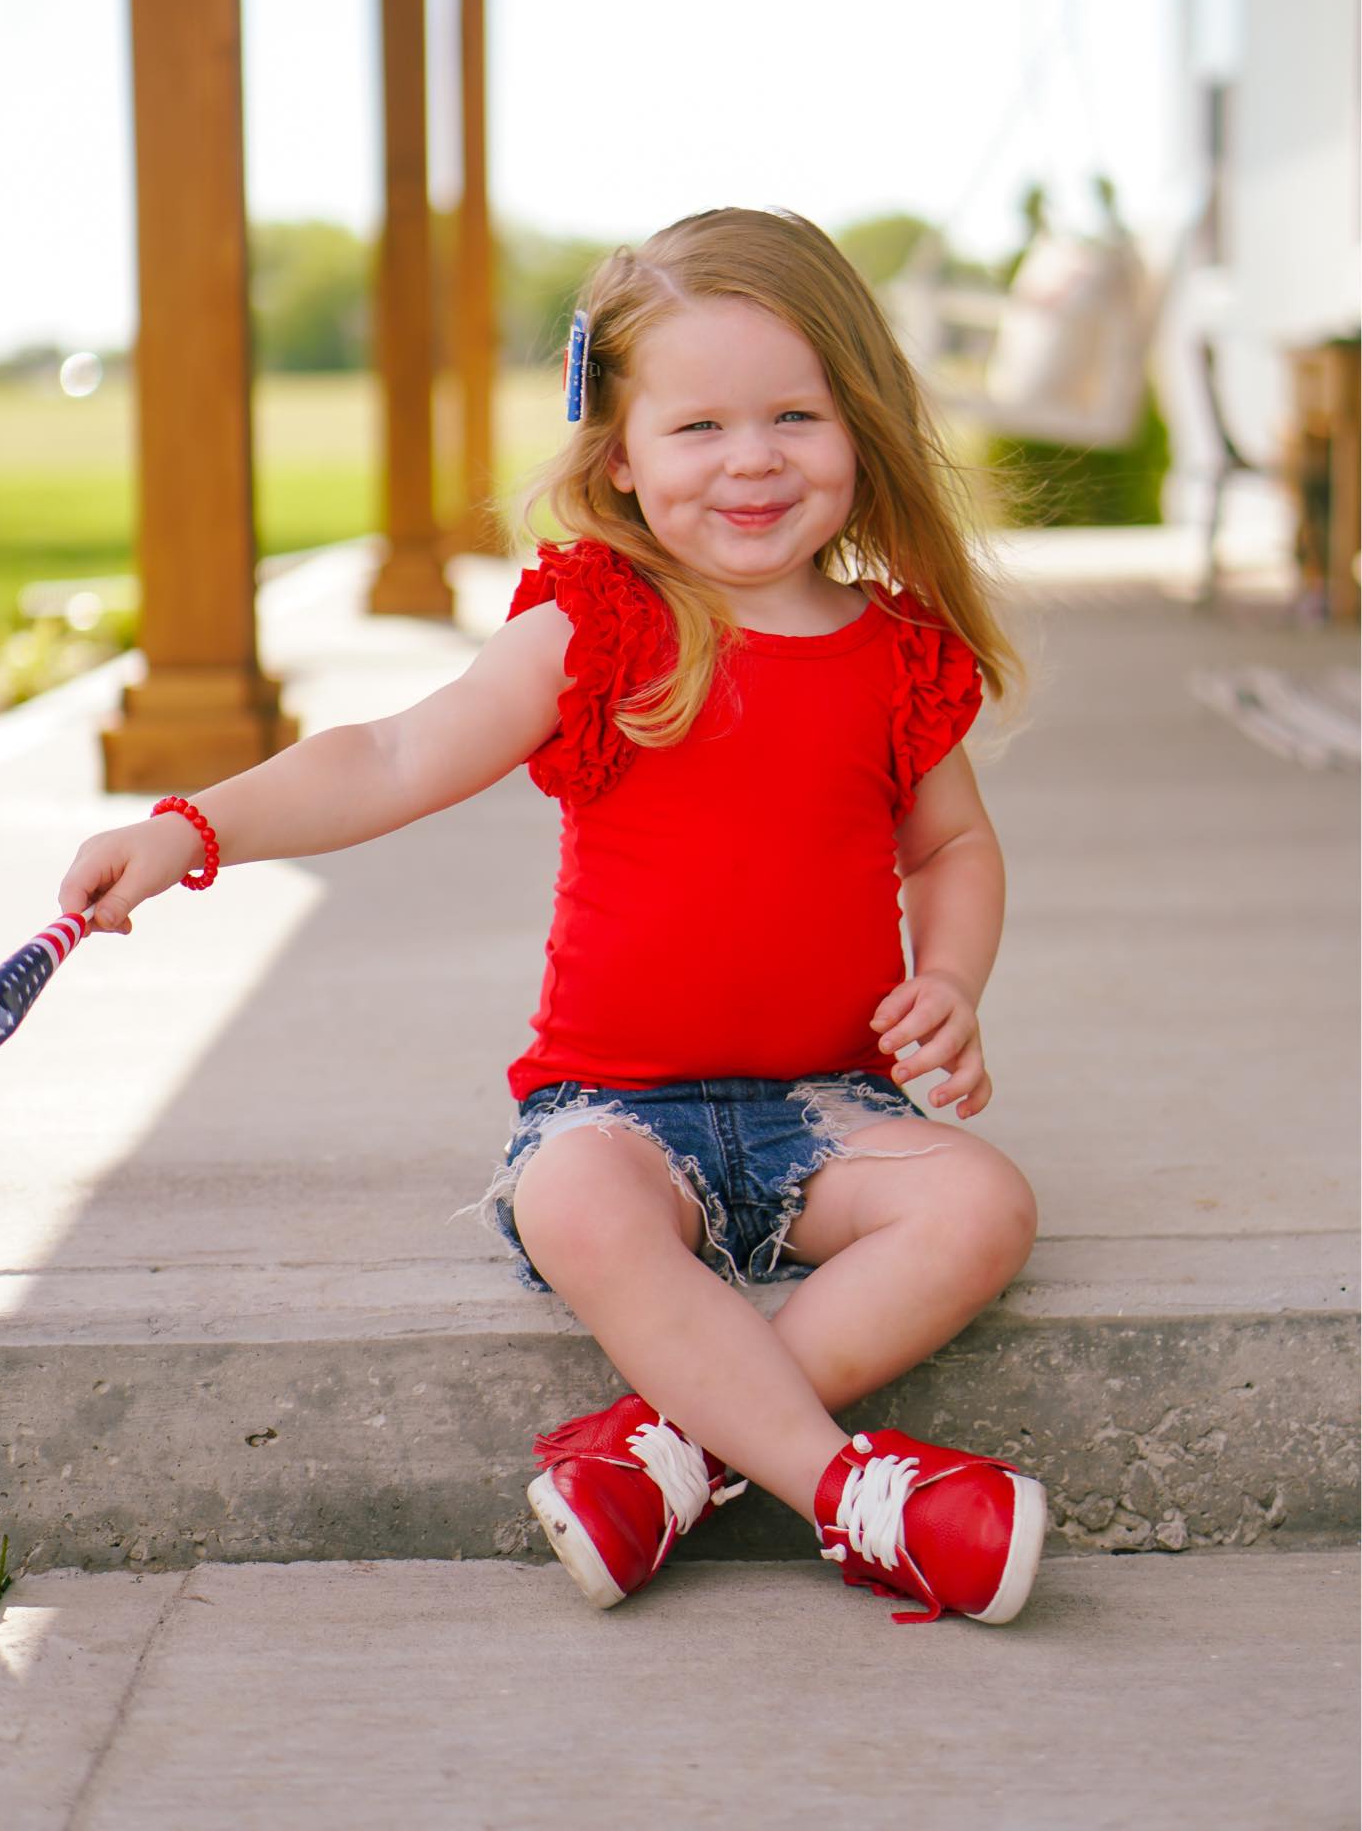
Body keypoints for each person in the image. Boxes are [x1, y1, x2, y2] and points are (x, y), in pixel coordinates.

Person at [58, 206, 1045, 1629]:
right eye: (698, 426)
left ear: (863, 425)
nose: (752, 458)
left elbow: (951, 844)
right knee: (572, 1200)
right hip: (614, 1111)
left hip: (825, 1109)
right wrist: (192, 829)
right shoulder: (604, 624)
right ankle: (852, 1496)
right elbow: (394, 753)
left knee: (982, 1205)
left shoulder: (898, 657)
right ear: (622, 458)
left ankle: (669, 1463)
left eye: (793, 415)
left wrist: (949, 978)